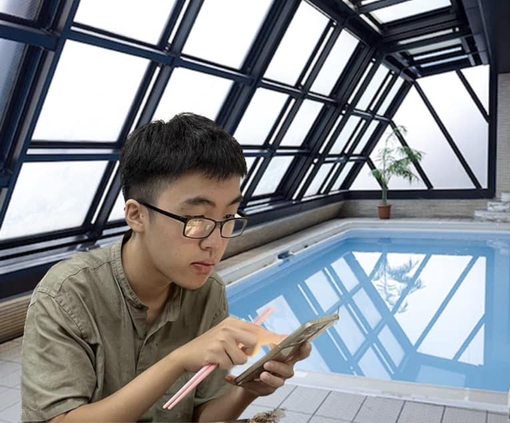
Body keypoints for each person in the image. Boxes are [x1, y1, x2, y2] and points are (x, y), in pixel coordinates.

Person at [21, 113, 311, 422]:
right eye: (196, 220)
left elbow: (204, 416)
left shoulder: (208, 292)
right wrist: (177, 362)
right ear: (137, 215)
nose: (215, 243)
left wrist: (248, 390)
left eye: (228, 218)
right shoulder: (68, 294)